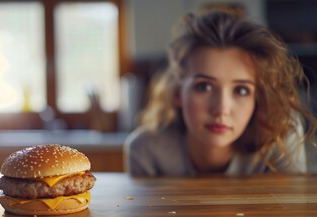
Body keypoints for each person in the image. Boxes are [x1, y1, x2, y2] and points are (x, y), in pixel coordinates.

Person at [123, 7, 317, 177]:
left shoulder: (279, 137)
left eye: (241, 90)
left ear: (257, 98)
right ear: (177, 93)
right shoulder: (146, 150)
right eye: (204, 87)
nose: (222, 108)